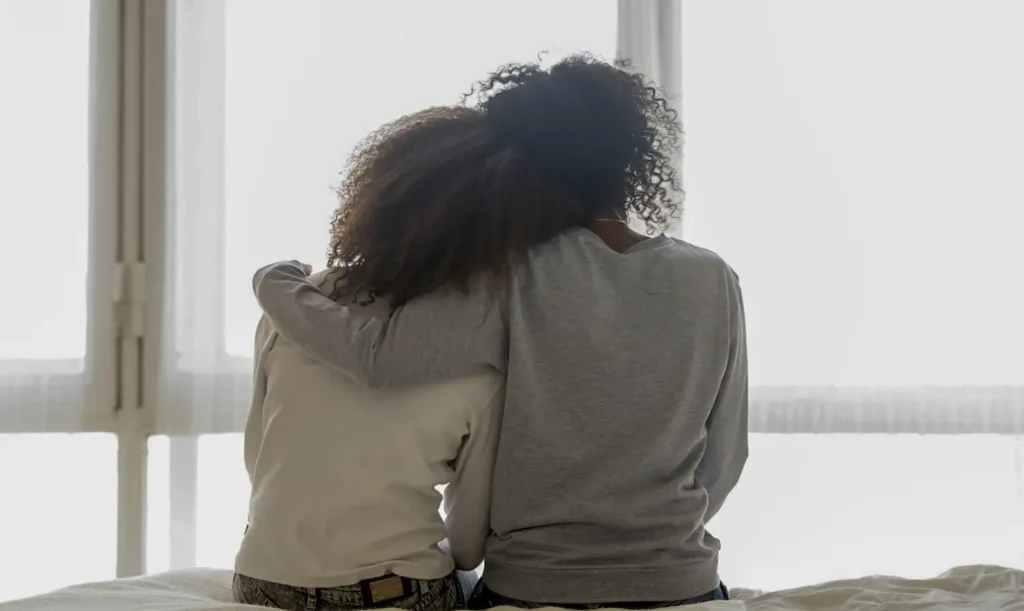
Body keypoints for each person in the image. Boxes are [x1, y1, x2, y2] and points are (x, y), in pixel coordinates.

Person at [254, 55, 748, 608]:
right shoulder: (713, 278)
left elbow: (378, 359)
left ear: (511, 161)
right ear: (632, 156)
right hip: (683, 585)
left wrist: (274, 283)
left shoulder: (507, 272)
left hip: (534, 588)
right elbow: (724, 459)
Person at [233, 109, 516, 611]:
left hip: (261, 578)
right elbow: (469, 544)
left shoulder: (295, 305)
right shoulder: (481, 351)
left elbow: (260, 460)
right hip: (394, 594)